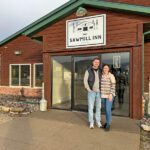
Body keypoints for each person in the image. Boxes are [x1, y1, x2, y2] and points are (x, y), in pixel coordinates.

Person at [84, 57, 102, 129]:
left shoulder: (101, 70)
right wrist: (89, 89)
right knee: (91, 108)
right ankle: (91, 122)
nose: (97, 63)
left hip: (99, 92)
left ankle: (98, 121)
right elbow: (85, 81)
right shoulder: (88, 70)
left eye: (98, 62)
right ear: (93, 62)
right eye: (95, 62)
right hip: (91, 92)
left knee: (98, 107)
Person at [101, 64, 116, 131]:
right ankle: (107, 122)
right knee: (105, 110)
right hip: (103, 95)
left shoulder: (111, 76)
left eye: (106, 68)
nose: (105, 69)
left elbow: (113, 85)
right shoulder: (101, 76)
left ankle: (108, 124)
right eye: (104, 68)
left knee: (108, 109)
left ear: (108, 69)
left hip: (109, 95)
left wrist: (111, 94)